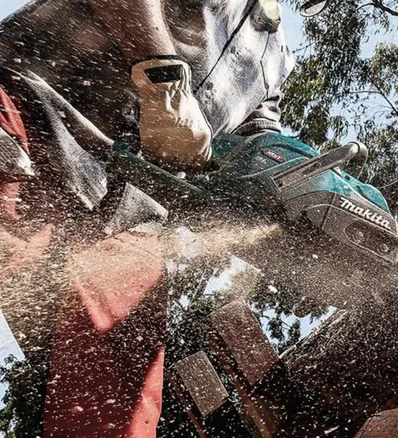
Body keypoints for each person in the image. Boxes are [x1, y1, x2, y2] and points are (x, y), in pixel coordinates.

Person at [0, 0, 305, 436]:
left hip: (126, 217)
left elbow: (257, 142)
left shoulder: (274, 60)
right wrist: (163, 80)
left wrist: (294, 206)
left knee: (117, 402)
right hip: (29, 114)